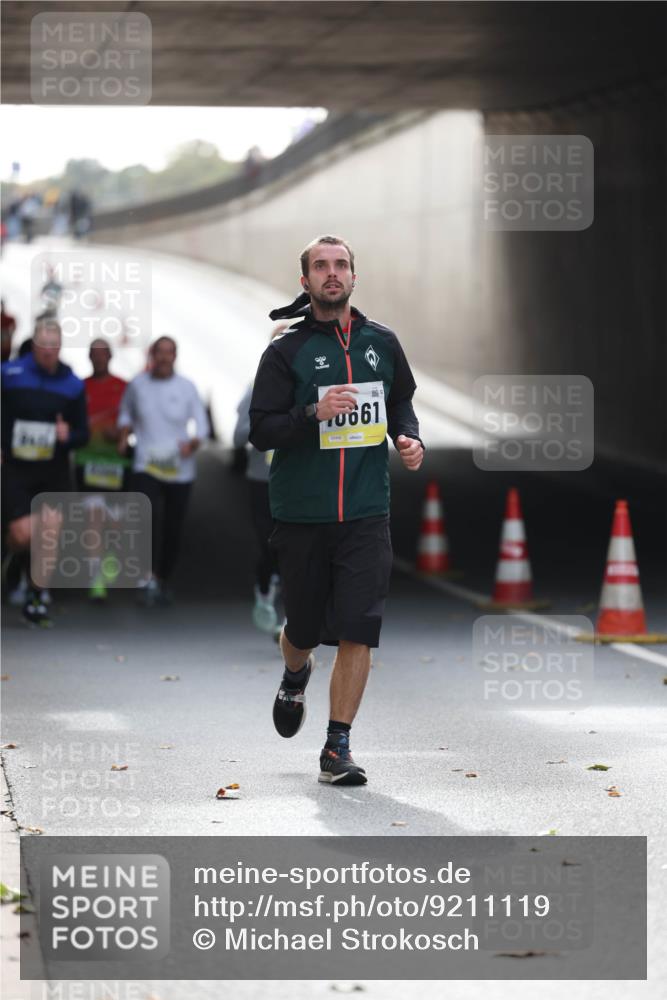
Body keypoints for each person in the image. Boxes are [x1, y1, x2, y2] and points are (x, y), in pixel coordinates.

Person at [249, 235, 424, 786]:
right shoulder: (286, 352)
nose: (332, 273)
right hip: (303, 514)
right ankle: (294, 673)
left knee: (359, 629)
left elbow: (401, 401)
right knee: (302, 627)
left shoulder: (382, 342)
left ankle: (336, 747)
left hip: (368, 514)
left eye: (341, 265)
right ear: (305, 281)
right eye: (321, 266)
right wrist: (312, 412)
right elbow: (261, 431)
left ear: (354, 277)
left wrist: (409, 438)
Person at [1, 318, 89, 626]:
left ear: (60, 347)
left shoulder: (72, 384)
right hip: (17, 468)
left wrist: (70, 436)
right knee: (23, 534)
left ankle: (36, 595)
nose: (49, 352)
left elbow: (84, 433)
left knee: (50, 532)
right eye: (43, 346)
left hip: (53, 470)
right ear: (34, 346)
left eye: (54, 346)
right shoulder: (9, 374)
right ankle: (11, 552)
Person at [117, 336, 208, 605]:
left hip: (179, 467)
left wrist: (192, 443)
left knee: (173, 527)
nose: (164, 358)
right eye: (160, 352)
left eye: (170, 353)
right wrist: (124, 435)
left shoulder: (187, 387)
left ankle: (162, 577)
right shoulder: (137, 385)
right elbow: (125, 413)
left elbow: (201, 426)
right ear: (152, 355)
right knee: (144, 518)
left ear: (176, 356)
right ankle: (144, 576)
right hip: (146, 462)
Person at [233, 323, 287, 636]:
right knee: (270, 545)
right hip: (261, 480)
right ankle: (265, 590)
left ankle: (291, 621)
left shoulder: (308, 386)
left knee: (297, 547)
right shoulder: (256, 388)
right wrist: (262, 433)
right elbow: (238, 435)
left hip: (296, 481)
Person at [75, 339, 130, 601]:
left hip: (117, 465)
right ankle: (96, 576)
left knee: (116, 523)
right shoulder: (80, 388)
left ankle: (108, 559)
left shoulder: (124, 387)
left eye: (102, 354)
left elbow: (136, 420)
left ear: (110, 357)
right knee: (93, 520)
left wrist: (121, 434)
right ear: (88, 357)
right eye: (93, 354)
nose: (98, 359)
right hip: (88, 463)